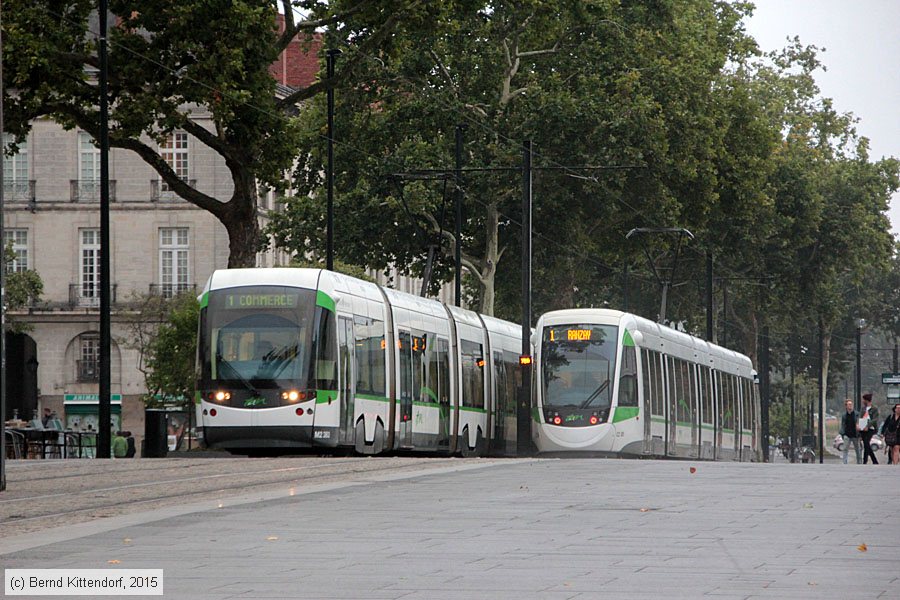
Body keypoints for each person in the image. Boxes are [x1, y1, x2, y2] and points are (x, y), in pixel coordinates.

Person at [839, 399, 861, 464]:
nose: (850, 406)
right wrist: (842, 433)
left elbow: (859, 423)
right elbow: (843, 425)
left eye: (851, 404)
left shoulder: (857, 414)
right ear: (846, 406)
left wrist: (859, 433)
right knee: (845, 448)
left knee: (858, 449)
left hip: (855, 434)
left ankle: (859, 462)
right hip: (847, 434)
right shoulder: (844, 415)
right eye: (849, 404)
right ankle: (845, 462)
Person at [859, 393, 879, 464]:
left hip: (871, 428)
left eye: (863, 400)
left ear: (866, 400)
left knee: (866, 443)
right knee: (866, 444)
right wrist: (860, 426)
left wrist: (867, 425)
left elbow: (875, 419)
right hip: (863, 429)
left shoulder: (874, 409)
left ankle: (865, 461)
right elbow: (860, 417)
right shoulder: (863, 408)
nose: (862, 401)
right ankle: (874, 461)